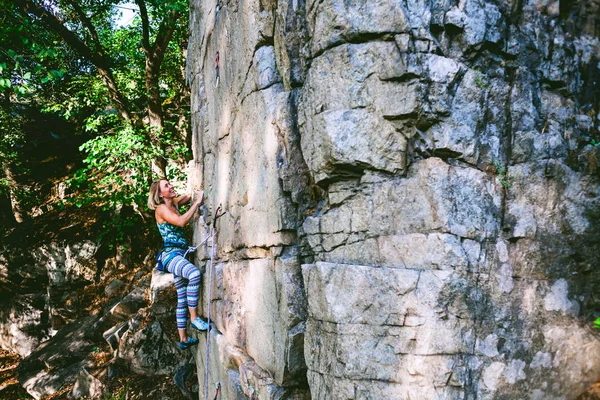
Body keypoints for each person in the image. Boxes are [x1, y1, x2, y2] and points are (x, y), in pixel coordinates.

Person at [147, 179, 209, 350]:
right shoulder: (161, 209)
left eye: (170, 184)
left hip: (181, 255)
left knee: (182, 297)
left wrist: (193, 194)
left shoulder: (172, 202)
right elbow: (181, 221)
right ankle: (195, 319)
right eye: (166, 186)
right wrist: (197, 203)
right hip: (171, 256)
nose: (171, 186)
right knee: (194, 274)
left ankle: (183, 339)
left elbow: (186, 197)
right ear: (160, 194)